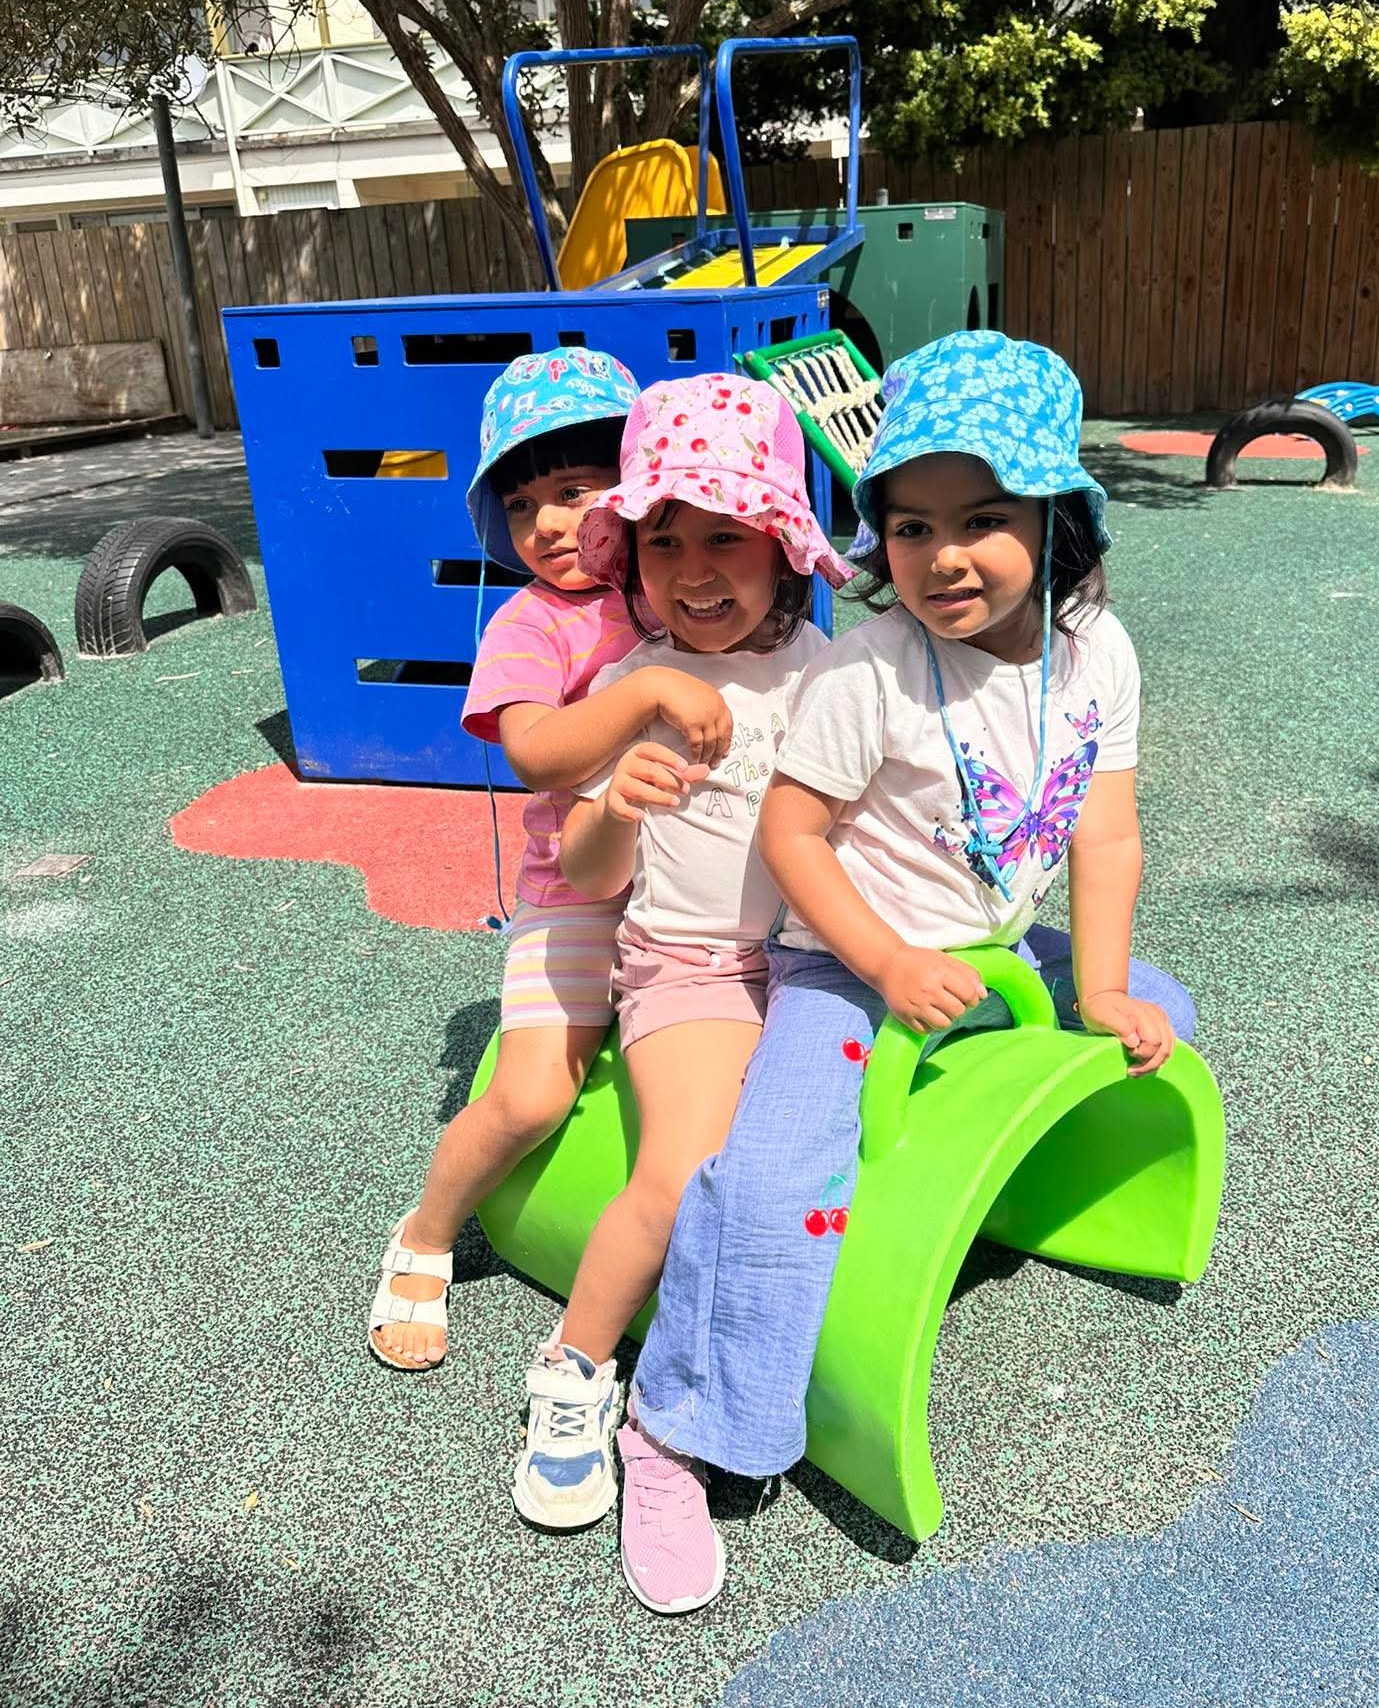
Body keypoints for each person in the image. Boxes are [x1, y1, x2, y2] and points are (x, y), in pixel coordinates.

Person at [619, 331, 1198, 1612]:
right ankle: (669, 1424)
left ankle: (1029, 1162)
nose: (945, 556)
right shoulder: (869, 668)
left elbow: (1105, 829)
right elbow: (792, 834)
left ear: (1058, 517)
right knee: (770, 1182)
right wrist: (880, 956)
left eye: (986, 518)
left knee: (1163, 1010)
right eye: (912, 524)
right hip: (845, 960)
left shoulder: (1099, 655)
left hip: (991, 945)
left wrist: (1098, 988)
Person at [508, 372, 852, 1609]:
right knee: (685, 1164)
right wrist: (613, 800)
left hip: (816, 965)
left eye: (727, 536)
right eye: (665, 540)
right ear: (635, 560)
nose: (696, 568)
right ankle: (578, 1366)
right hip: (691, 964)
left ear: (782, 545)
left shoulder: (835, 671)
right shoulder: (631, 679)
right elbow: (592, 873)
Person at [367, 349, 738, 1370]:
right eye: (524, 504)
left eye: (576, 490)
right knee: (534, 1095)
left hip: (702, 889)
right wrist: (641, 696)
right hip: (573, 889)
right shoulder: (530, 622)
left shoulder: (676, 579)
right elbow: (534, 747)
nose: (549, 523)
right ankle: (428, 1230)